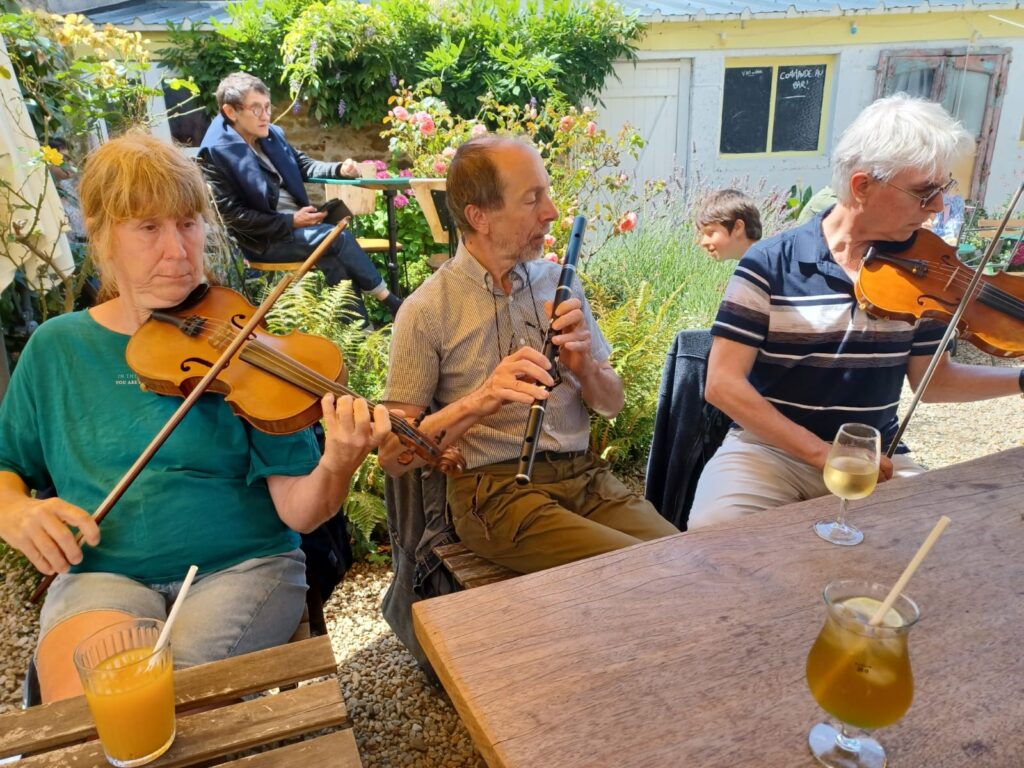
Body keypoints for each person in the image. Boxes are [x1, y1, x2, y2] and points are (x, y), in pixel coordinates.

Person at [0, 132, 390, 702]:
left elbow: (300, 512)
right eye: (149, 228)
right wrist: (14, 509)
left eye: (187, 224)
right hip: (103, 575)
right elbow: (8, 464)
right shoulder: (57, 349)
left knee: (164, 699)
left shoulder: (246, 343)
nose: (178, 252)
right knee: (92, 709)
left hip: (241, 568)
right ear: (104, 234)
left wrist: (337, 461)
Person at [689, 94, 1024, 529]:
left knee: (933, 542)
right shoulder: (769, 263)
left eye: (943, 190)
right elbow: (722, 385)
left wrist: (1019, 380)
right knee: (715, 536)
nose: (938, 207)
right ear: (862, 185)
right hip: (770, 451)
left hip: (875, 456)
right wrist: (819, 453)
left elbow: (934, 382)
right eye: (924, 193)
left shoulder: (929, 271)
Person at [378, 136, 678, 574]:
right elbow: (391, 454)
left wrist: (585, 368)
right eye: (532, 198)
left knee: (685, 557)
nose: (551, 212)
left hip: (584, 478)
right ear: (480, 216)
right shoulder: (426, 310)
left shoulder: (559, 281)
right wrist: (483, 397)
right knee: (639, 570)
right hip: (495, 492)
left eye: (547, 193)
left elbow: (611, 404)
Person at [198, 72, 401, 317]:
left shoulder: (271, 136)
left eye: (267, 107)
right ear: (231, 112)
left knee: (333, 258)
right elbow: (234, 217)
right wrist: (290, 221)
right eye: (256, 109)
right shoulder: (215, 153)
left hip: (298, 229)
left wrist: (338, 169)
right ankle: (390, 301)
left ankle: (359, 331)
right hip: (265, 241)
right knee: (337, 237)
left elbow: (303, 165)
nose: (265, 116)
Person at [695, 188, 762, 261]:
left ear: (738, 227)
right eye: (702, 235)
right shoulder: (761, 262)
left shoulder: (757, 268)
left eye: (711, 233)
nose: (703, 242)